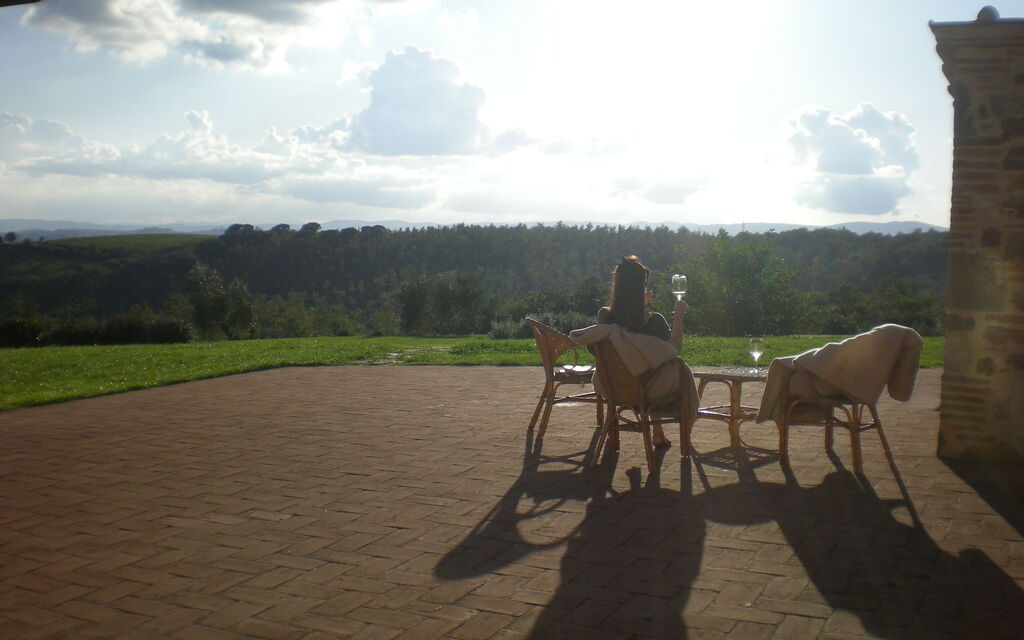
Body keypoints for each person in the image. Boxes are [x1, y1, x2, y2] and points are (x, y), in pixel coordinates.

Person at [595, 255, 689, 447]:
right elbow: (674, 348)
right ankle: (662, 431)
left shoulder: (604, 316)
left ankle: (615, 431)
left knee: (643, 368)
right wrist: (678, 317)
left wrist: (638, 306)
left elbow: (625, 327)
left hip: (611, 386)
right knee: (666, 367)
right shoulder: (654, 321)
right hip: (649, 389)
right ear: (641, 287)